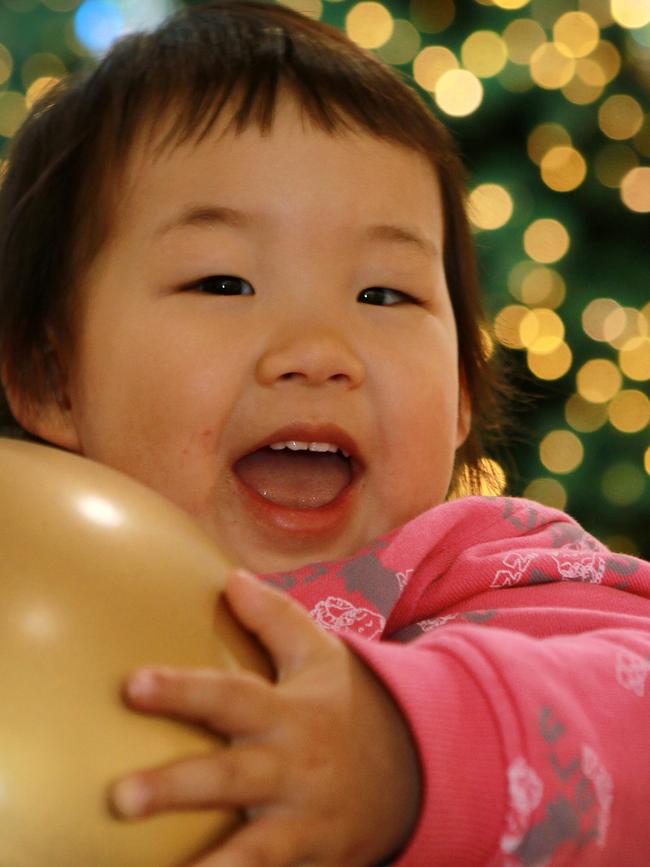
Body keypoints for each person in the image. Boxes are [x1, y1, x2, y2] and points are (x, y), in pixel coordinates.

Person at [0, 2, 649, 864]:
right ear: (52, 377)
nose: (317, 351)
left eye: (385, 294)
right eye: (224, 283)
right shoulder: (28, 582)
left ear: (459, 391)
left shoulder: (483, 569)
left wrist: (410, 753)